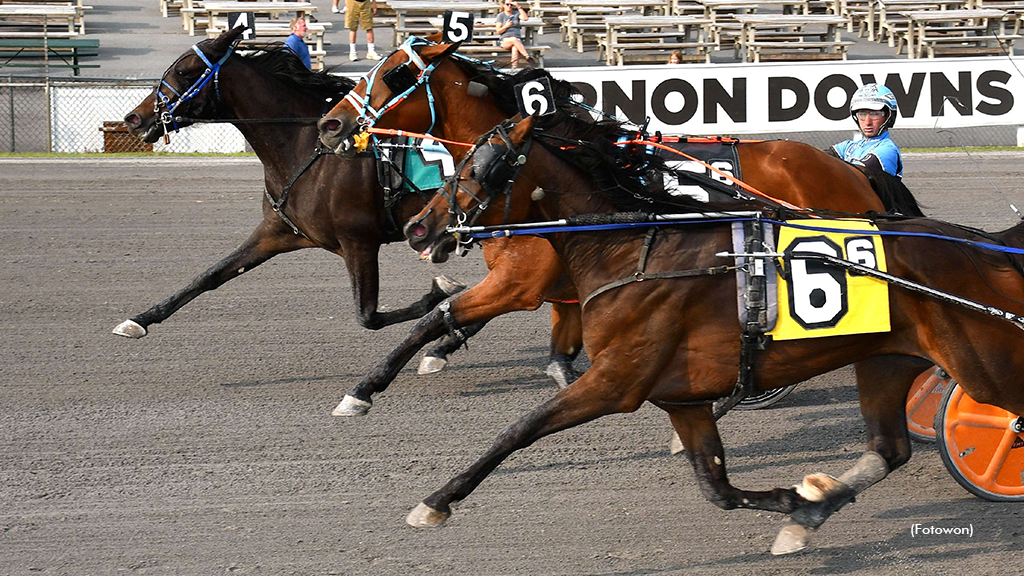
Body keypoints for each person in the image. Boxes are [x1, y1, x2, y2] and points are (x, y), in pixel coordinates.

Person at [830, 83, 903, 178]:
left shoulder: (887, 150)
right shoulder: (848, 147)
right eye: (862, 114)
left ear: (887, 116)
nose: (867, 122)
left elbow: (857, 177)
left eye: (875, 114)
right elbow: (816, 159)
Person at [497, 0, 530, 69]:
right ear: (503, 5)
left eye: (511, 5)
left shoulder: (516, 14)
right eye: (507, 4)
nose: (509, 6)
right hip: (505, 40)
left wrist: (518, 7)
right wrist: (506, 26)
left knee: (515, 48)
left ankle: (514, 68)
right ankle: (527, 56)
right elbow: (498, 31)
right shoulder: (501, 16)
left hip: (517, 39)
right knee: (514, 39)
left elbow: (525, 18)